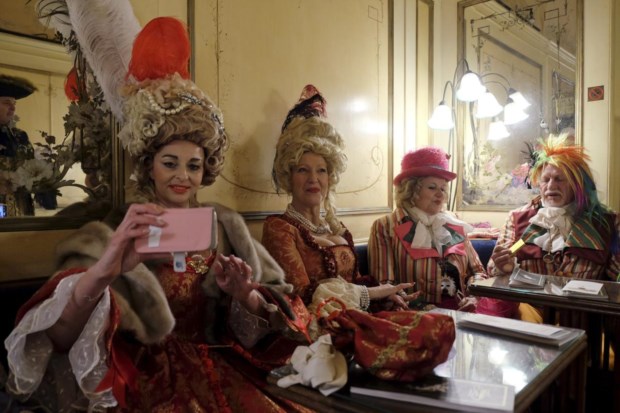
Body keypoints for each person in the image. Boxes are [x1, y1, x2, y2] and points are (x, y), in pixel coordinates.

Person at [4, 18, 310, 413]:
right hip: (143, 379)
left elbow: (284, 318)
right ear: (150, 165)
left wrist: (245, 294)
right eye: (170, 163)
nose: (183, 176)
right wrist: (106, 271)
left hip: (223, 366)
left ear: (206, 169)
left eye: (193, 165)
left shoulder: (227, 226)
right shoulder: (115, 232)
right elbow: (59, 339)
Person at [263, 84, 417, 313]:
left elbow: (357, 284)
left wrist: (385, 297)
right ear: (289, 177)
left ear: (330, 177)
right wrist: (372, 294)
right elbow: (300, 294)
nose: (313, 179)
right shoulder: (279, 228)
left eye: (321, 170)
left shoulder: (338, 228)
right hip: (318, 326)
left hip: (356, 317)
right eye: (303, 170)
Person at [487, 134, 620, 319]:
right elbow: (493, 268)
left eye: (559, 179)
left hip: (584, 319)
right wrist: (504, 266)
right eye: (546, 179)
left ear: (577, 184)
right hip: (530, 316)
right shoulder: (517, 219)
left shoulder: (606, 223)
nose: (551, 186)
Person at [368, 146, 487, 310]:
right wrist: (410, 304)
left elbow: (478, 272)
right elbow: (384, 285)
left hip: (462, 310)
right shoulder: (385, 226)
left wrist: (473, 297)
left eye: (443, 188)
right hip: (413, 314)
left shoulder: (454, 222)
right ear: (410, 190)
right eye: (432, 187)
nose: (440, 194)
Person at [0, 74, 37, 216]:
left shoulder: (20, 136)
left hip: (19, 208)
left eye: (14, 103)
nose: (13, 108)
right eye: (6, 102)